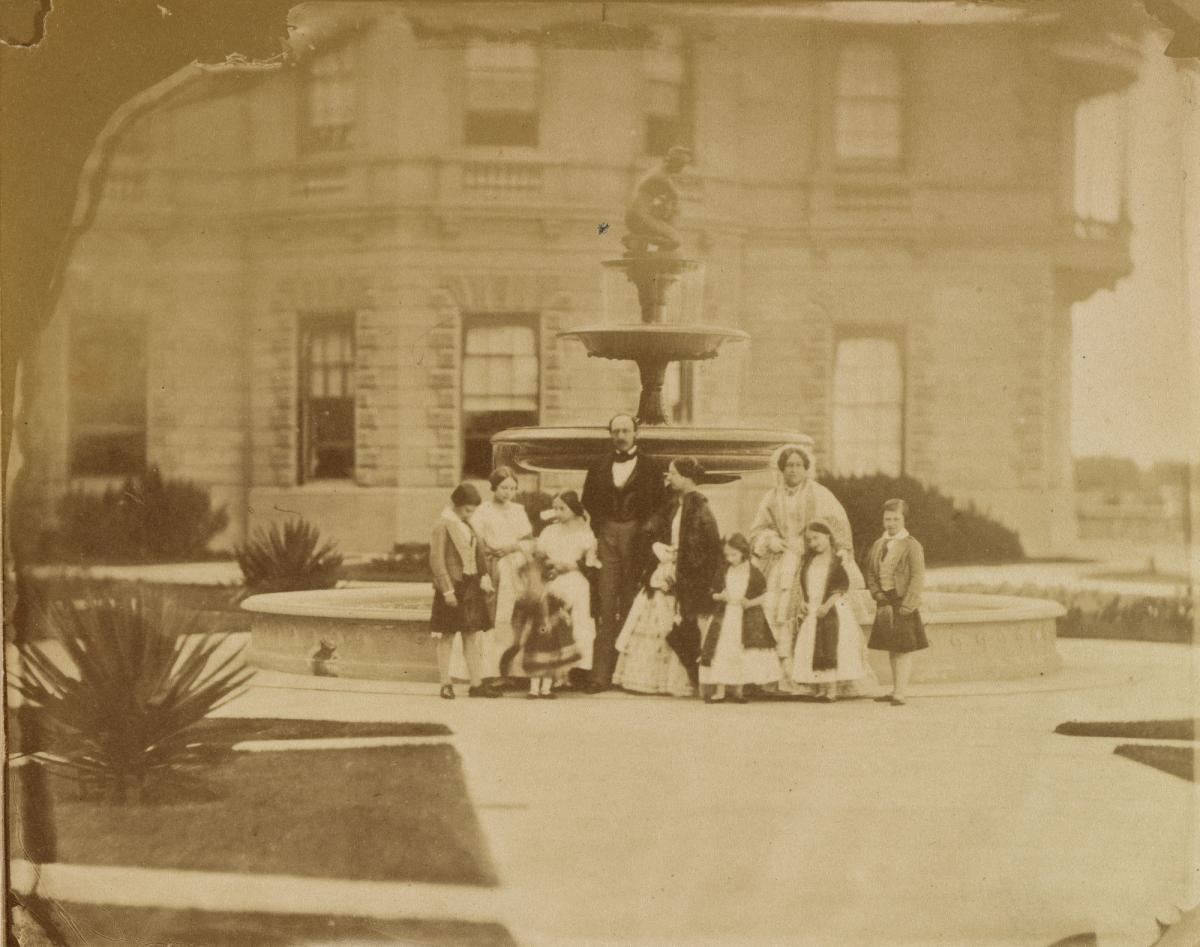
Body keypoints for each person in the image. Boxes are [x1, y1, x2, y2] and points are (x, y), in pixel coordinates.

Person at [613, 457, 722, 696]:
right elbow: (652, 528)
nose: (668, 478)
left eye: (672, 473)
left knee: (676, 622)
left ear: (685, 477)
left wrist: (679, 566)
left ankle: (680, 681)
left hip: (681, 575)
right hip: (667, 565)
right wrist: (656, 547)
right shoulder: (674, 503)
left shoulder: (699, 507)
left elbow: (705, 549)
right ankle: (651, 680)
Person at [748, 444, 854, 680]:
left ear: (806, 468)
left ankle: (806, 676)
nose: (793, 470)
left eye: (798, 465)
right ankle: (774, 676)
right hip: (779, 558)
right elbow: (758, 529)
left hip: (811, 559)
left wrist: (828, 549)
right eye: (788, 466)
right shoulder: (771, 496)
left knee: (800, 609)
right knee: (770, 607)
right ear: (781, 469)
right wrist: (770, 539)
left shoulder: (820, 494)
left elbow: (837, 527)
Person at [581, 413, 666, 693]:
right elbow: (588, 502)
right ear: (610, 434)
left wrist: (646, 532)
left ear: (635, 433)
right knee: (605, 605)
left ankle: (624, 674)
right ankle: (600, 676)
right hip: (607, 536)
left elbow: (659, 506)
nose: (620, 436)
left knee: (631, 602)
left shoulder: (651, 466)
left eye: (626, 431)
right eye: (616, 431)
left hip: (637, 538)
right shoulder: (599, 465)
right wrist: (600, 530)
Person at [787, 521, 875, 702]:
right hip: (813, 608)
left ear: (827, 536)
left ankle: (831, 690)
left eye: (817, 538)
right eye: (810, 540)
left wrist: (827, 605)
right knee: (813, 646)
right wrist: (804, 601)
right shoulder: (808, 561)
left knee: (831, 645)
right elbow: (805, 584)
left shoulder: (836, 561)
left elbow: (841, 586)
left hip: (832, 607)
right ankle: (819, 689)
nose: (813, 543)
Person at [429, 483, 501, 700]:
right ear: (457, 505)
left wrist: (484, 576)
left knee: (471, 635)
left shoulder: (466, 525)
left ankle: (476, 684)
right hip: (453, 587)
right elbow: (437, 561)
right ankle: (445, 683)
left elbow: (477, 553)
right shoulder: (443, 525)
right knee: (447, 636)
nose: (471, 514)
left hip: (470, 585)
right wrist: (447, 590)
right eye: (468, 509)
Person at [469, 466, 534, 682]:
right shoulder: (483, 511)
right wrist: (489, 554)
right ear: (494, 487)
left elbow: (528, 540)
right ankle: (490, 672)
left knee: (519, 618)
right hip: (494, 565)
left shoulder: (518, 510)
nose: (508, 492)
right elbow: (476, 540)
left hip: (517, 564)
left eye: (512, 488)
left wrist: (512, 548)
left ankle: (516, 670)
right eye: (504, 487)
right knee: (496, 619)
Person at [699, 533, 780, 704]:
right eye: (727, 555)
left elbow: (765, 595)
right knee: (721, 651)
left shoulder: (754, 572)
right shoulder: (724, 570)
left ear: (743, 552)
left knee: (740, 653)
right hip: (726, 615)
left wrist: (750, 603)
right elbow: (712, 593)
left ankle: (737, 691)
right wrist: (719, 596)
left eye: (733, 554)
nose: (730, 558)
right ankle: (720, 691)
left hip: (743, 617)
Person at [866, 499, 928, 706]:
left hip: (902, 602)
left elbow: (918, 576)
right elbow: (871, 572)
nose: (891, 523)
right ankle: (895, 689)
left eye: (895, 519)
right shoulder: (878, 544)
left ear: (904, 520)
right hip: (885, 601)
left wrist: (909, 604)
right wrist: (877, 594)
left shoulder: (912, 545)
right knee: (893, 647)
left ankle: (900, 692)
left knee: (903, 649)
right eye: (887, 519)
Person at [533, 490, 600, 681]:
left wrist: (569, 566)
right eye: (555, 508)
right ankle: (551, 673)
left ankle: (574, 672)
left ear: (573, 509)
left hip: (576, 578)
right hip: (553, 578)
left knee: (579, 625)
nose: (558, 512)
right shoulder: (549, 531)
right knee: (550, 623)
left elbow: (591, 562)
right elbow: (539, 556)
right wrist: (550, 568)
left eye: (562, 508)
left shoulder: (585, 533)